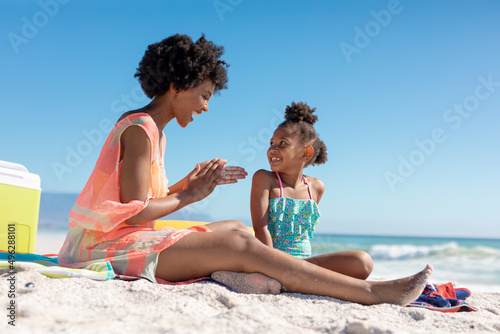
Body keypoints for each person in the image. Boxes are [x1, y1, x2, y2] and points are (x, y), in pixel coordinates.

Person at [58, 33, 433, 306]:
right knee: (237, 242)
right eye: (204, 94)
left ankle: (246, 274)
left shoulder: (153, 131)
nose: (206, 106)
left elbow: (141, 200)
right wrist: (191, 194)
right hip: (104, 249)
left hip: (121, 241)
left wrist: (189, 183)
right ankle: (371, 293)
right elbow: (135, 214)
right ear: (176, 85)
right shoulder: (141, 129)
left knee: (237, 229)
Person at [250, 102, 376, 279]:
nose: (273, 149)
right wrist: (272, 268)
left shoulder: (316, 187)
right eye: (271, 143)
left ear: (306, 153)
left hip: (304, 263)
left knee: (362, 261)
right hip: (272, 262)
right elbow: (260, 229)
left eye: (282, 143)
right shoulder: (264, 178)